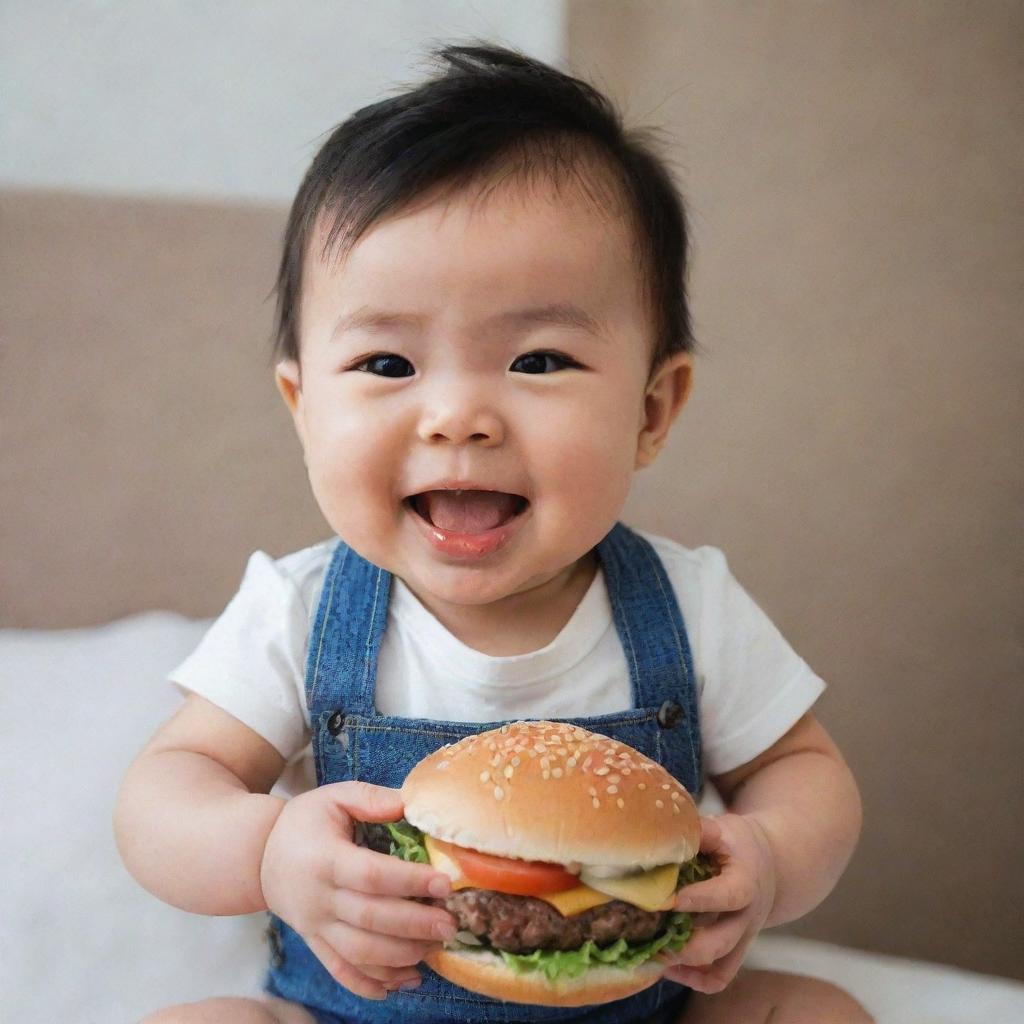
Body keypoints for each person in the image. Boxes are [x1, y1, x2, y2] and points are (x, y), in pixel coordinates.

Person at [115, 42, 872, 1024]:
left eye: (539, 357)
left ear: (652, 408)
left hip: (635, 1005)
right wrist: (268, 847)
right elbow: (165, 795)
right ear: (303, 408)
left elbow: (804, 772)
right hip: (356, 1013)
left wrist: (768, 857)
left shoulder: (687, 604)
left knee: (816, 1010)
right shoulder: (301, 609)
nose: (457, 417)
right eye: (388, 362)